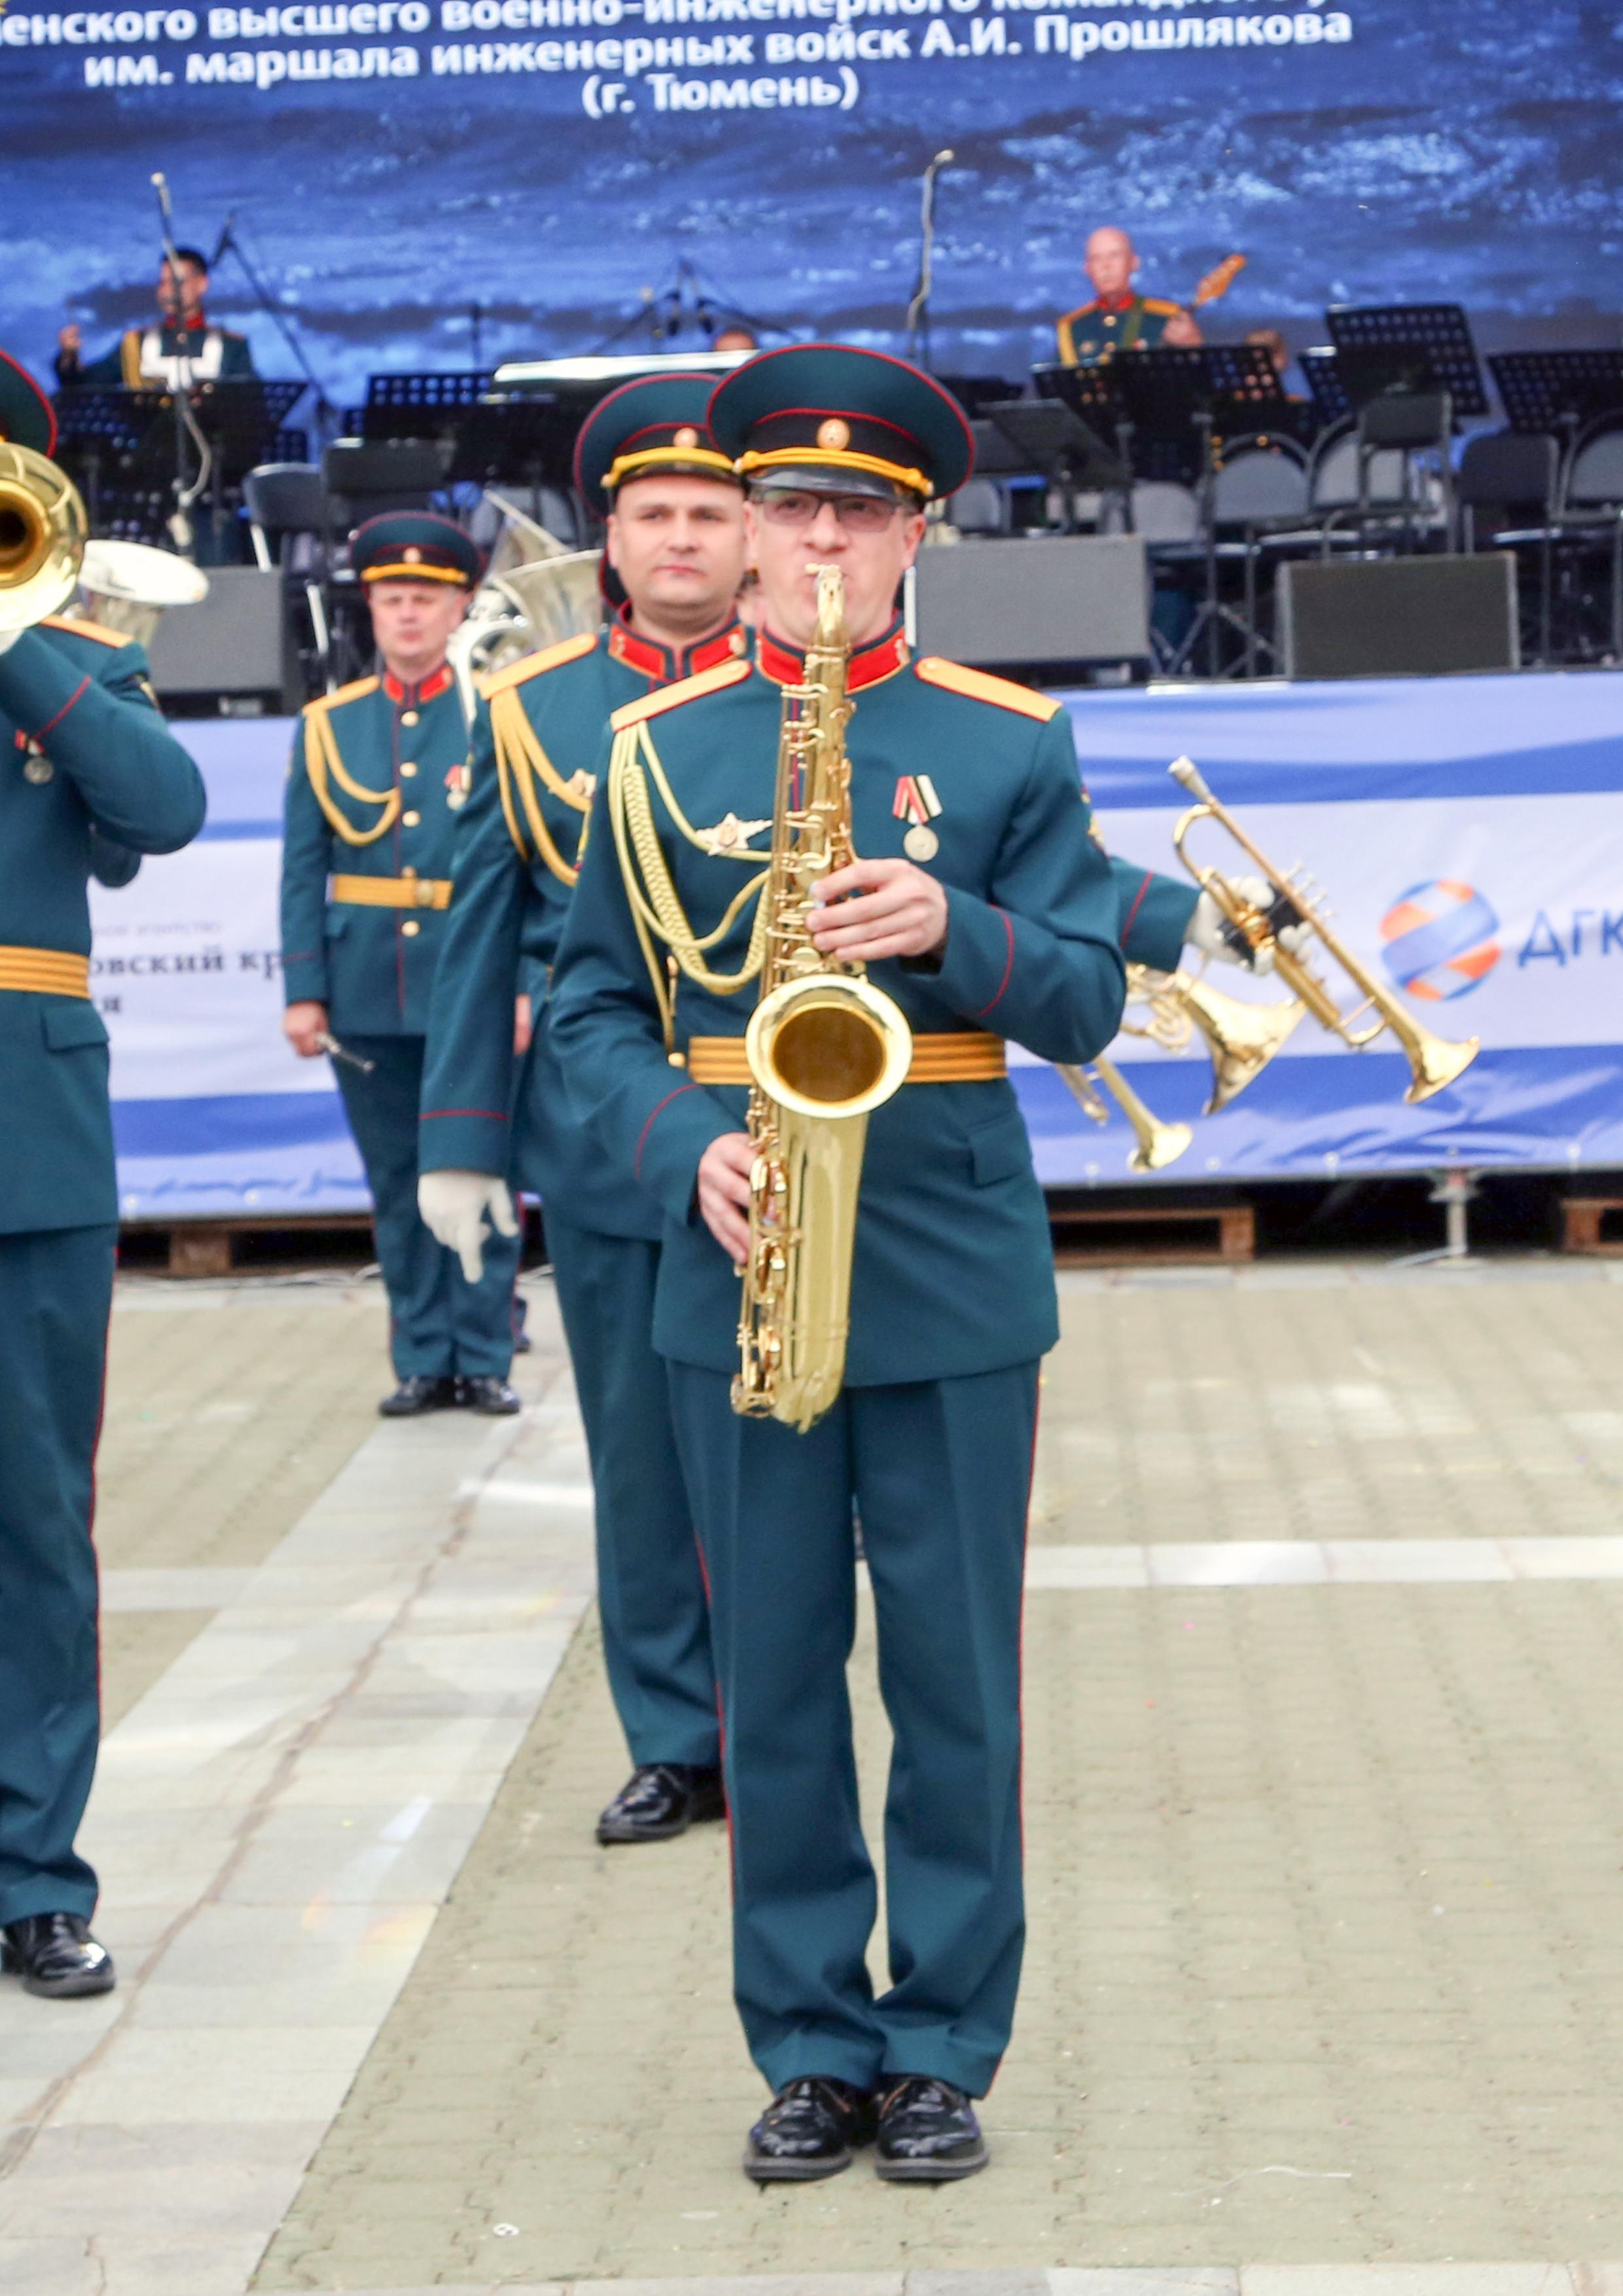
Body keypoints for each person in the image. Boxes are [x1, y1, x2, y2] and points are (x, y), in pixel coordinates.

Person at [549, 344, 1128, 2184]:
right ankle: (808, 2040)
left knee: (956, 1681)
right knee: (774, 1680)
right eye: (789, 509)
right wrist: (683, 1147)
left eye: (856, 516)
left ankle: (943, 2041)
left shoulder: (1007, 738)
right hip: (739, 1250)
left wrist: (956, 924)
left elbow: (1091, 996)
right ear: (742, 531)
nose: (818, 543)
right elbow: (588, 1014)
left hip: (946, 1256)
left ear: (911, 539)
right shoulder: (649, 750)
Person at [417, 376, 749, 1846]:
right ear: (607, 539)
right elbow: (480, 932)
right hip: (607, 1133)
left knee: (785, 1449)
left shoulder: (818, 692)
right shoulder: (529, 709)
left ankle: (779, 1723)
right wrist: (457, 1143)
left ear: (751, 534)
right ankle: (677, 1738)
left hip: (787, 1120)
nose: (680, 536)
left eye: (708, 512)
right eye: (652, 512)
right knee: (639, 1451)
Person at [0, 350, 207, 2000]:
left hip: (29, 1142)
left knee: (31, 1527)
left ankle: (31, 1877)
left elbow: (164, 809)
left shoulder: (65, 659)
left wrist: (20, 640)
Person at [280, 512, 522, 1418]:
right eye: (392, 599)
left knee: (482, 1170)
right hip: (367, 991)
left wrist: (525, 986)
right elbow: (302, 869)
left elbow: (528, 865)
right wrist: (305, 992)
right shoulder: (328, 726)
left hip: (476, 985)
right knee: (395, 1182)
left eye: (427, 598)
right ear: (370, 610)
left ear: (461, 608)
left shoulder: (499, 715)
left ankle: (485, 1356)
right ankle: (422, 1357)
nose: (409, 614)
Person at [56, 247, 257, 393]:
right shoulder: (136, 343)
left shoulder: (232, 346)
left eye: (177, 282)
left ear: (202, 284)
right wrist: (69, 356)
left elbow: (251, 406)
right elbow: (84, 385)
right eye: (163, 282)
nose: (167, 290)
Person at [1056, 225, 1201, 367]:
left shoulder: (1167, 318)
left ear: (1134, 262)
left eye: (1114, 255)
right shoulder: (1072, 328)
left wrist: (1193, 347)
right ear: (1087, 269)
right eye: (1096, 258)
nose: (1105, 266)